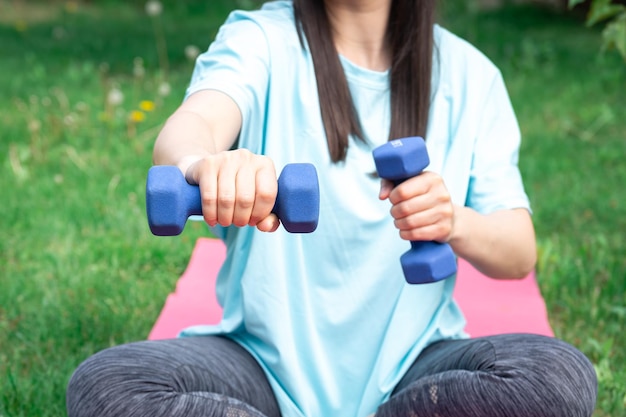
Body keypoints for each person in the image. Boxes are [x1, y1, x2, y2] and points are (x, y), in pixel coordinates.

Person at [66, 0, 598, 416]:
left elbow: (518, 252)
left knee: (557, 376)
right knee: (108, 387)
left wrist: (453, 219)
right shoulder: (260, 39)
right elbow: (191, 127)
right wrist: (202, 163)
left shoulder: (471, 76)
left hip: (418, 368)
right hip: (262, 372)